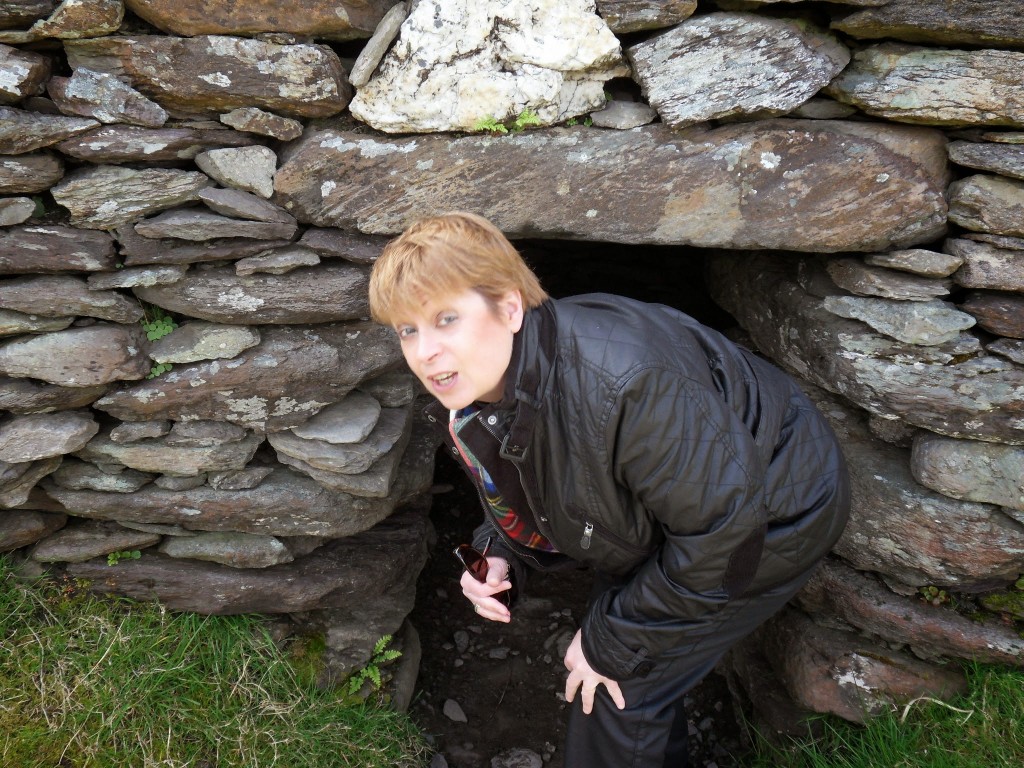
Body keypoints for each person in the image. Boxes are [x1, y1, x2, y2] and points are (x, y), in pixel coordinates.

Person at [368, 211, 850, 767]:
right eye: (408, 329)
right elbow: (524, 479)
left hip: (775, 506)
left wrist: (612, 642)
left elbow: (726, 536)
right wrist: (497, 551)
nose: (424, 351)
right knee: (621, 651)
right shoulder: (484, 385)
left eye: (446, 318)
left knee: (619, 687)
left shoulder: (627, 385)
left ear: (509, 307)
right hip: (687, 510)